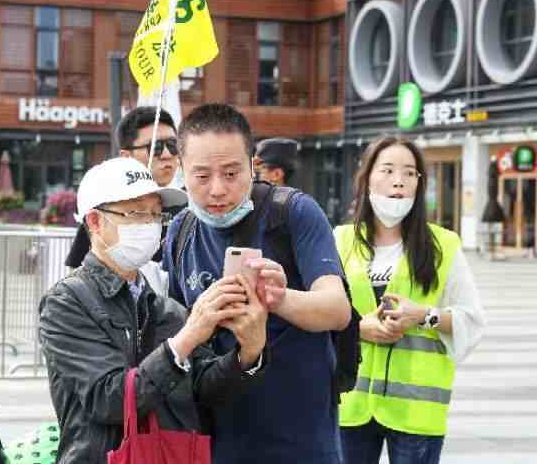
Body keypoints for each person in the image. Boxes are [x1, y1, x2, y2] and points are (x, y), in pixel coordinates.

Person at [39, 157, 269, 464]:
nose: (149, 225)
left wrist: (249, 353)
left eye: (155, 215)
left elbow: (205, 392)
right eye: (135, 213)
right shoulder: (66, 302)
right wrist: (185, 339)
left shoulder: (165, 308)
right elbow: (110, 400)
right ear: (94, 222)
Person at [163, 103, 351, 464]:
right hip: (218, 437)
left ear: (253, 165)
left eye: (231, 173)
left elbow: (336, 309)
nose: (217, 190)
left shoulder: (293, 212)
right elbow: (176, 327)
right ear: (182, 172)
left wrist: (279, 298)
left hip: (301, 437)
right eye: (202, 176)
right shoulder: (180, 231)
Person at [334, 136, 485, 464]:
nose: (398, 181)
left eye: (409, 173)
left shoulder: (443, 246)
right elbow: (317, 313)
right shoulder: (340, 241)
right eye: (387, 170)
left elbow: (471, 320)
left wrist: (423, 315)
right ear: (367, 177)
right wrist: (359, 328)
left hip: (417, 409)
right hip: (350, 402)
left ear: (420, 184)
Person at [64, 106, 181, 271]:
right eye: (156, 147)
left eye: (173, 145)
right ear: (126, 156)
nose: (167, 154)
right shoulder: (106, 206)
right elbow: (76, 276)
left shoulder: (191, 209)